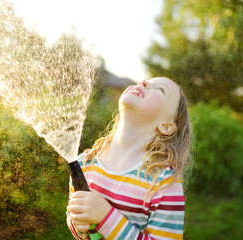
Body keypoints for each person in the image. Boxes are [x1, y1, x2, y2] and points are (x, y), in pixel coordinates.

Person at [66, 77, 191, 240]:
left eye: (160, 89)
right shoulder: (85, 162)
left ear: (166, 126)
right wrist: (78, 224)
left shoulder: (163, 181)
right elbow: (73, 215)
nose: (144, 82)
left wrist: (105, 217)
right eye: (145, 81)